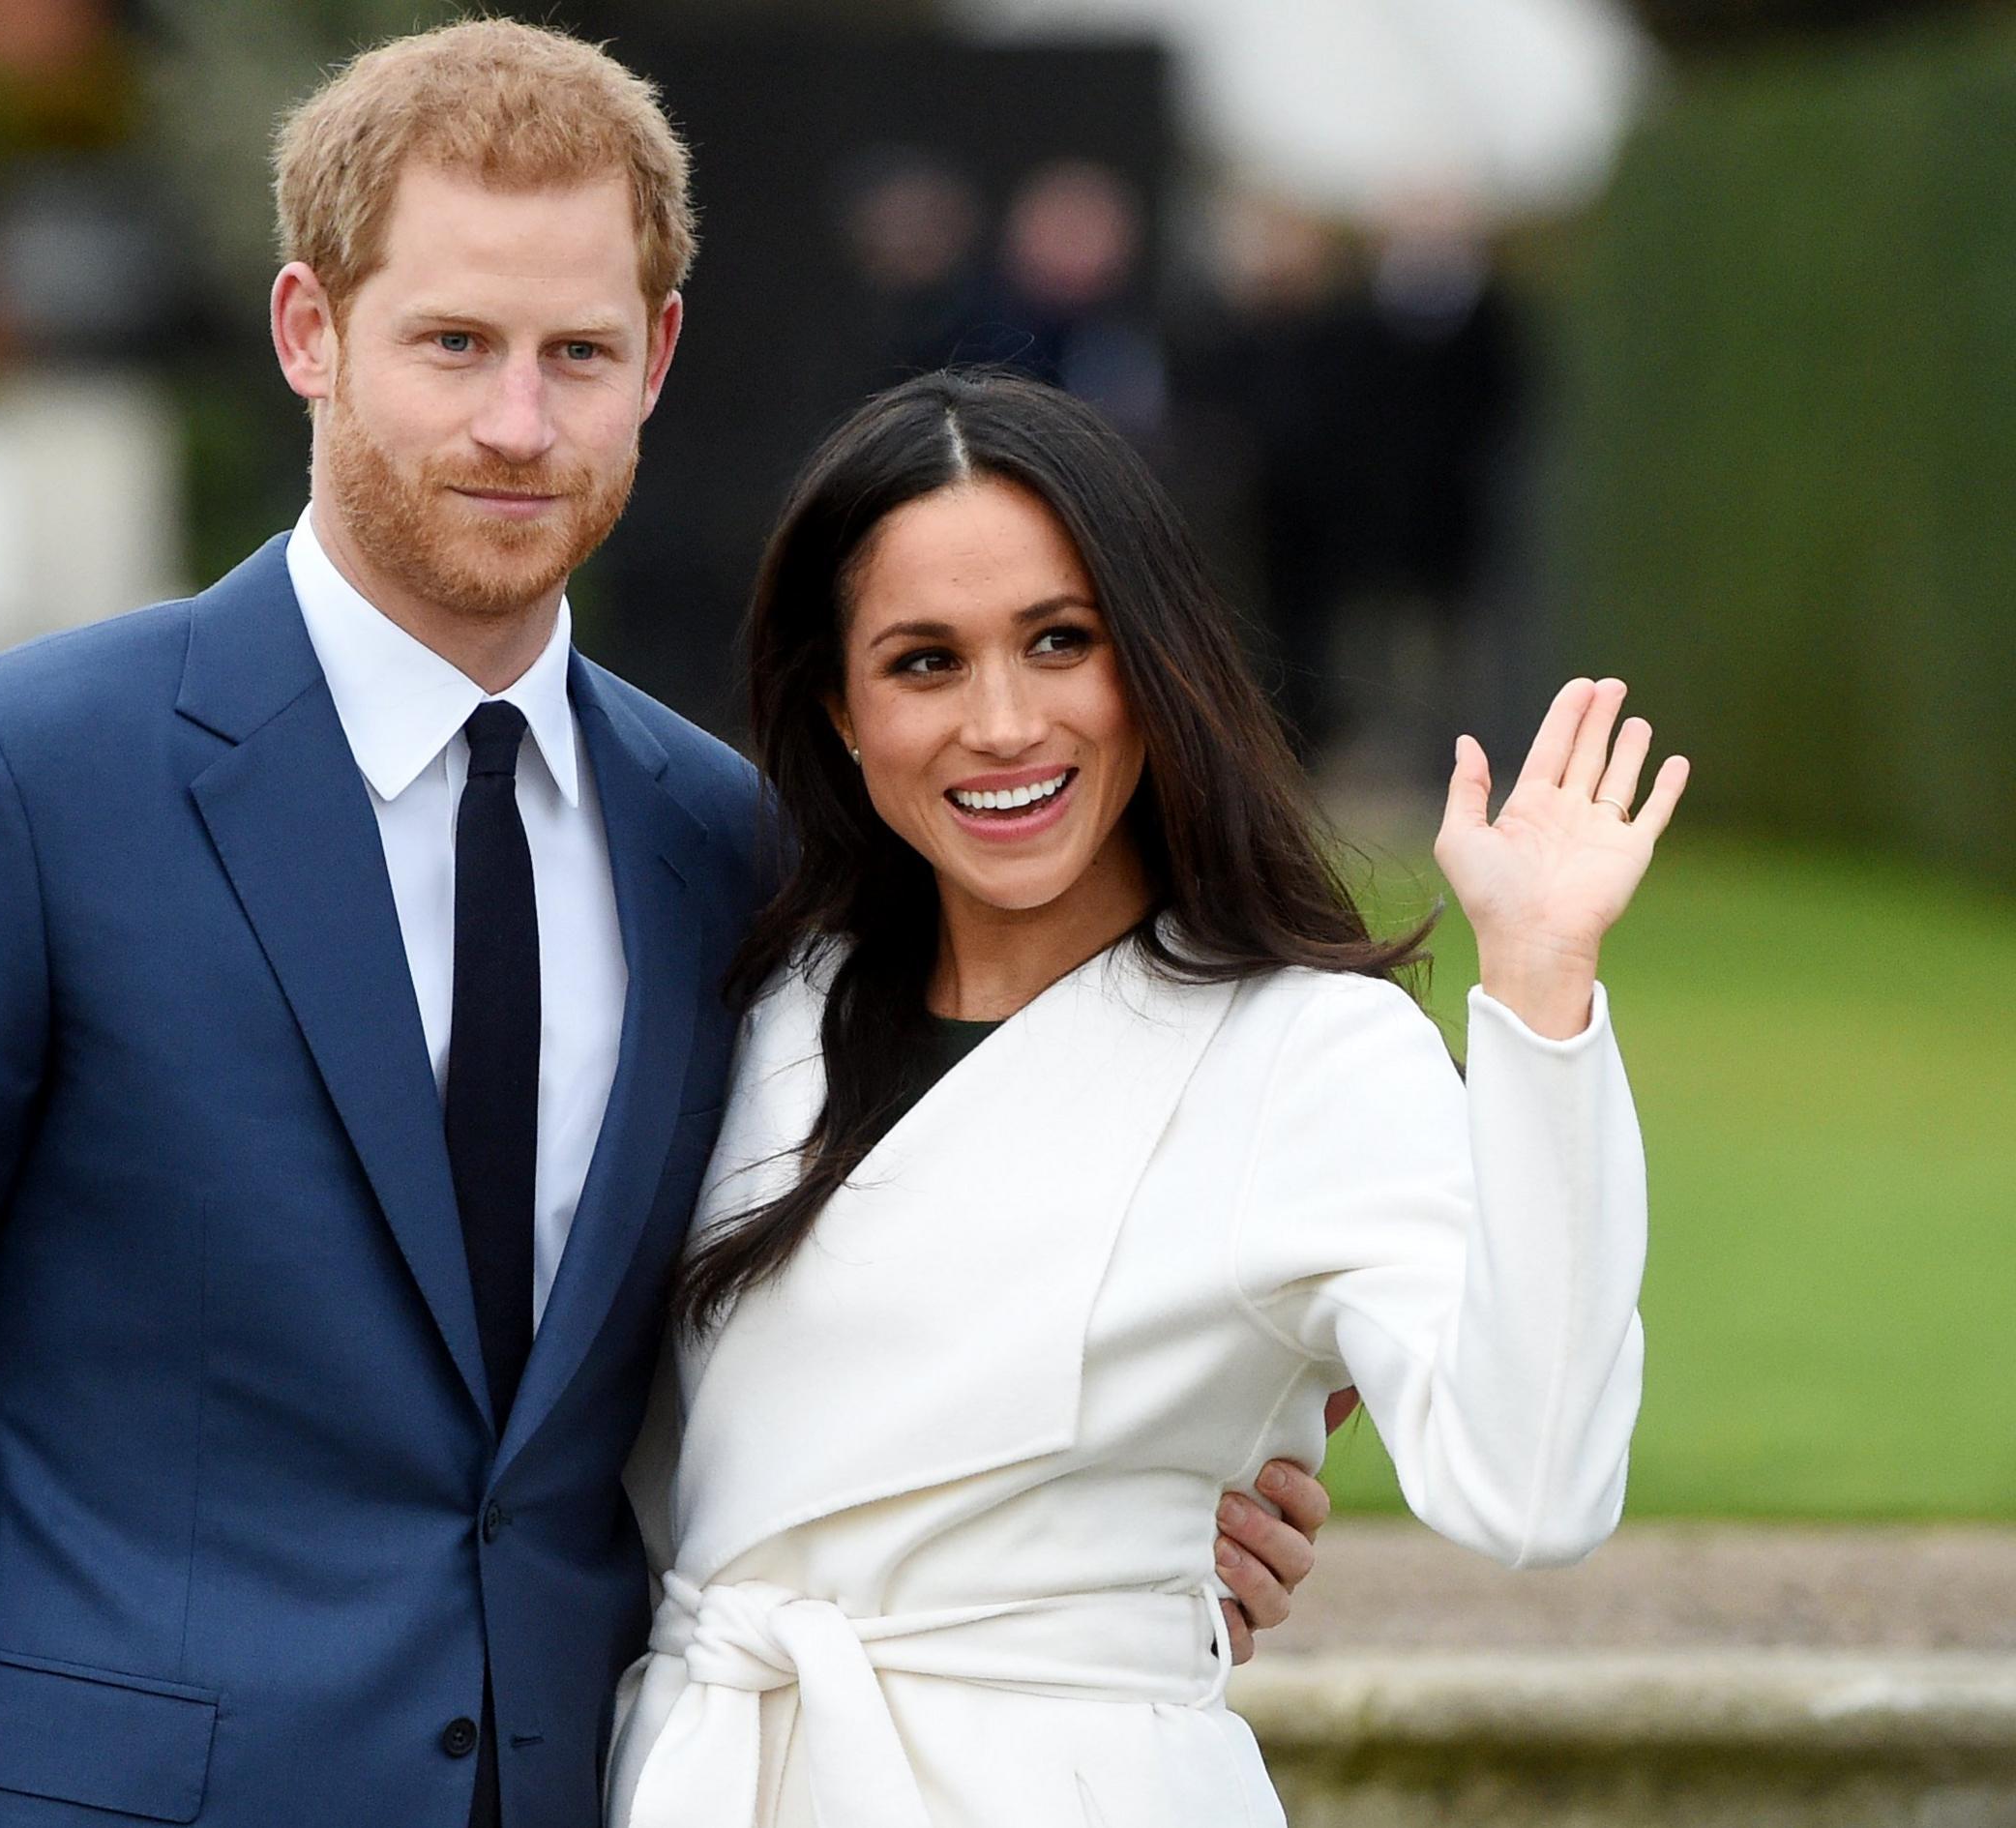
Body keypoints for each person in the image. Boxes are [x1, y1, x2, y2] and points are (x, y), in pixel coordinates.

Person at [0, 24, 1328, 1828]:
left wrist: (1152, 1493)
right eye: (453, 343)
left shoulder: (736, 844)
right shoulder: (6, 788)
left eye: (577, 354)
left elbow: (874, 1305)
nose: (518, 425)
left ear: (657, 359)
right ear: (311, 330)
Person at [606, 370, 1686, 1828]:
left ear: (1155, 663)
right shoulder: (743, 1005)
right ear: (840, 711)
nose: (1003, 722)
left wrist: (1542, 992)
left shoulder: (1309, 1056)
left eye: (1062, 642)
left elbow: (1538, 1485)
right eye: (924, 661)